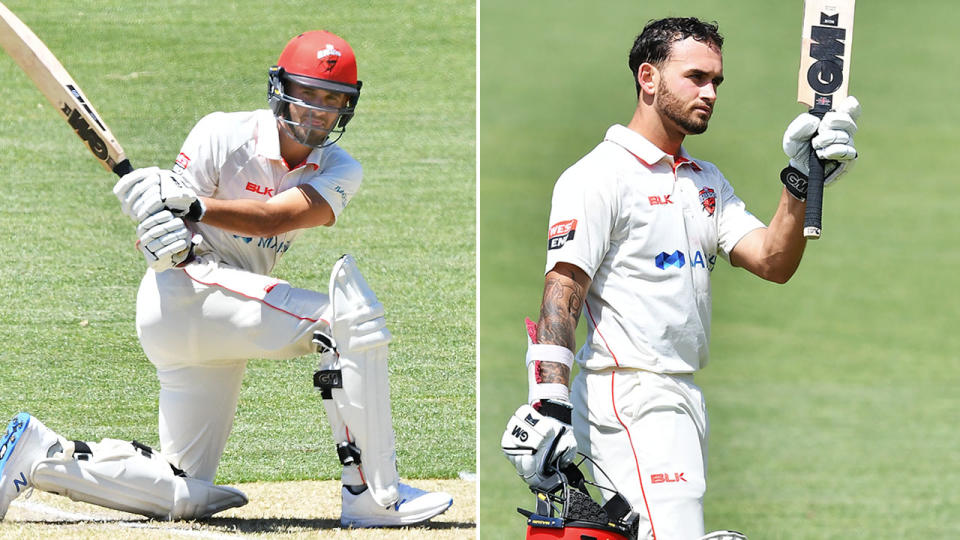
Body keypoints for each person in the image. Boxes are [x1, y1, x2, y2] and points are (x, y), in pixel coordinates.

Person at [0, 30, 452, 528]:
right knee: (345, 320)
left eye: (333, 100)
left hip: (226, 318)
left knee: (182, 489)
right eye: (307, 94)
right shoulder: (221, 133)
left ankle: (39, 453)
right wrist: (157, 226)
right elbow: (166, 233)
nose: (318, 110)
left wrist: (193, 206)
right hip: (184, 294)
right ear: (280, 89)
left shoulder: (341, 167)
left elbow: (277, 217)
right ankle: (373, 495)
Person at [501, 17, 860, 540]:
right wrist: (549, 399)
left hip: (683, 397)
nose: (710, 92)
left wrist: (803, 178)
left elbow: (773, 260)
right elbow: (563, 290)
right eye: (695, 77)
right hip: (629, 395)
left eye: (716, 81)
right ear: (648, 78)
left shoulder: (706, 181)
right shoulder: (599, 176)